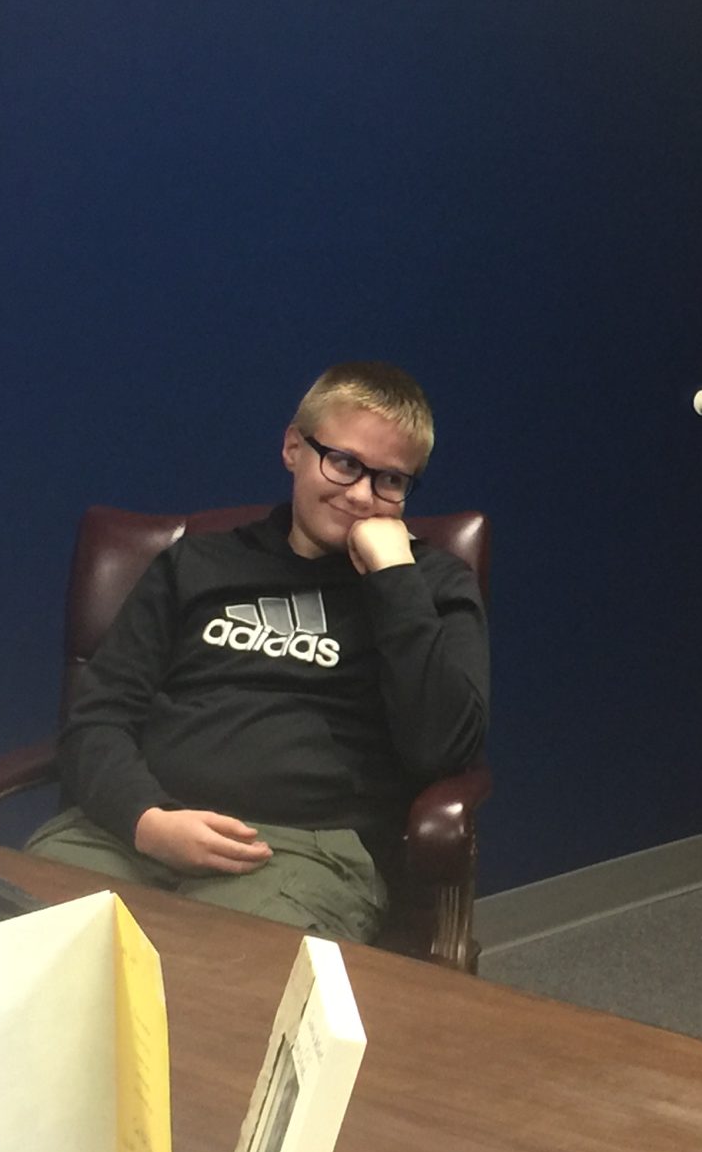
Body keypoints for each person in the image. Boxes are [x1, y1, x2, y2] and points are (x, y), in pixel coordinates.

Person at [25, 361, 489, 943]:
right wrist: (147, 820)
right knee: (14, 957)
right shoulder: (196, 565)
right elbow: (97, 718)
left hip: (299, 852)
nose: (362, 496)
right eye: (344, 463)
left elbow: (443, 751)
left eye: (390, 481)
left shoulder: (433, 586)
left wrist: (394, 578)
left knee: (215, 993)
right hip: (128, 829)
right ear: (294, 447)